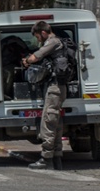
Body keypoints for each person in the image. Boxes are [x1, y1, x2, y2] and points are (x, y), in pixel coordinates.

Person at [22, 21, 67, 170]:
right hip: (56, 87)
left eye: (37, 37)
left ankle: (46, 158)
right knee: (56, 122)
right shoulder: (55, 42)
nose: (37, 40)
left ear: (43, 32)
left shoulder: (53, 42)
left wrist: (26, 61)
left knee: (48, 121)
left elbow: (35, 57)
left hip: (55, 88)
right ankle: (56, 157)